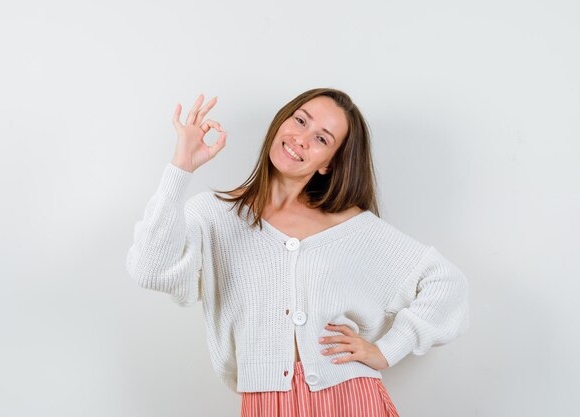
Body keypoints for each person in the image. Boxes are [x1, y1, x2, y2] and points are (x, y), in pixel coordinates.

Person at [125, 88, 469, 417]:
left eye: (322, 139)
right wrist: (181, 167)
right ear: (282, 122)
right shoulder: (213, 214)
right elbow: (150, 270)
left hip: (351, 397)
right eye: (300, 121)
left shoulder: (353, 227)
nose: (302, 139)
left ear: (328, 164)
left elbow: (446, 283)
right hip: (267, 402)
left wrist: (387, 350)